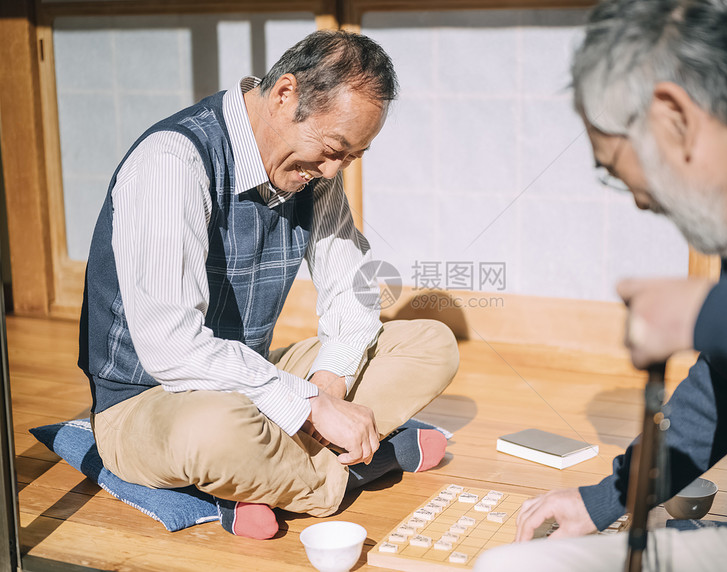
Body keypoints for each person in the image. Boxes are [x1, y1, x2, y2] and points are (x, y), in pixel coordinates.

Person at [475, 0, 727, 570]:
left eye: (612, 166)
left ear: (672, 115)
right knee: (512, 565)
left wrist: (717, 312)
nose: (637, 198)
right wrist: (608, 499)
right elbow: (725, 385)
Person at [79, 30, 459, 540]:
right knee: (214, 430)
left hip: (253, 378)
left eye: (351, 157)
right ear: (285, 94)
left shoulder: (314, 172)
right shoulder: (172, 162)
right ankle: (353, 471)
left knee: (430, 343)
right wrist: (309, 407)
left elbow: (350, 288)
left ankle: (263, 481)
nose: (332, 170)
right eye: (330, 150)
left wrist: (329, 386)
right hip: (150, 401)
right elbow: (171, 349)